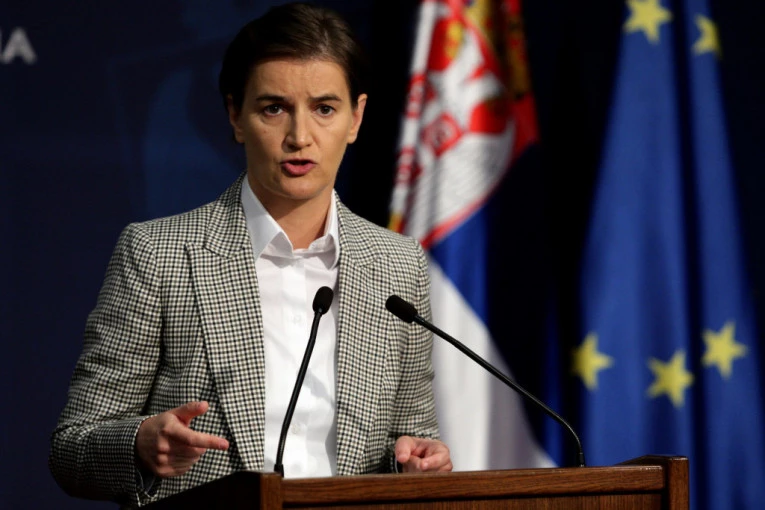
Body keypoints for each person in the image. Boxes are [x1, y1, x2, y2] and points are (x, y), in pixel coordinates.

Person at [49, 2, 452, 507]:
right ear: (235, 116)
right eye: (274, 108)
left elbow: (412, 436)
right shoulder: (158, 254)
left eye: (324, 109)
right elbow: (73, 447)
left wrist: (416, 460)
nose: (299, 137)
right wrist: (140, 445)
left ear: (356, 118)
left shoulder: (399, 264)